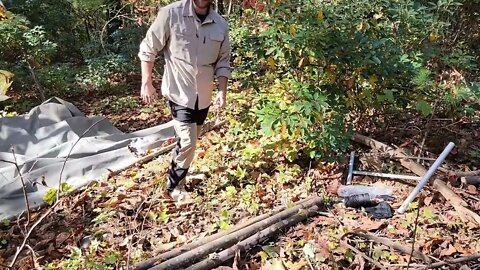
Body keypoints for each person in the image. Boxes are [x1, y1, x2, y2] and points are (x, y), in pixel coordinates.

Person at [138, 0, 231, 202]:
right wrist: (147, 81)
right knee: (188, 140)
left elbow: (223, 61)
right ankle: (174, 187)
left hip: (204, 95)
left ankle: (181, 172)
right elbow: (148, 48)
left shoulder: (220, 24)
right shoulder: (171, 14)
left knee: (190, 140)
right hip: (179, 91)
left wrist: (222, 92)